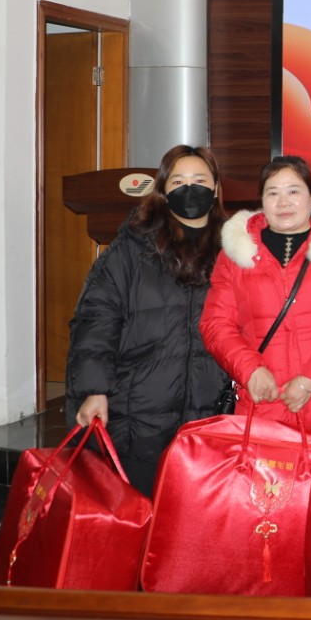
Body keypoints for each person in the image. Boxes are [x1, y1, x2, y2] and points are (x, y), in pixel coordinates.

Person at [64, 145, 230, 495]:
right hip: (137, 408)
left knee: (194, 508)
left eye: (200, 180)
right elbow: (96, 320)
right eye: (179, 181)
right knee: (137, 506)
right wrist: (94, 389)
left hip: (208, 409)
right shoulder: (133, 247)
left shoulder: (235, 250)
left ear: (216, 189)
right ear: (163, 190)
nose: (190, 189)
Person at [201, 155, 311, 445]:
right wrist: (250, 370)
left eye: (294, 191)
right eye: (273, 193)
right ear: (262, 201)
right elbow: (215, 324)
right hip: (262, 400)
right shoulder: (237, 253)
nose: (283, 202)